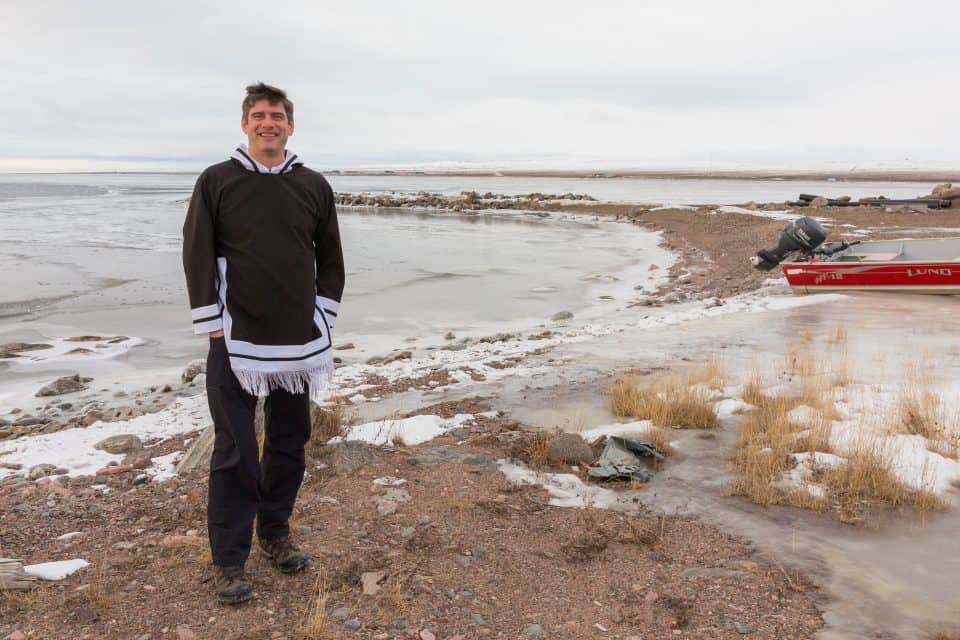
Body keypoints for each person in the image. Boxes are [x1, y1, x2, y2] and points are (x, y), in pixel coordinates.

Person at [182, 82, 344, 605]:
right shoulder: (217, 180)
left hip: (299, 342)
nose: (268, 123)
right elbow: (197, 253)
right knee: (235, 450)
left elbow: (332, 260)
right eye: (259, 115)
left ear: (290, 125)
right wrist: (211, 323)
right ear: (245, 123)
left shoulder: (313, 185)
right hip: (235, 338)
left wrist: (324, 316)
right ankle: (229, 562)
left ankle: (275, 534)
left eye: (277, 115)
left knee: (288, 443)